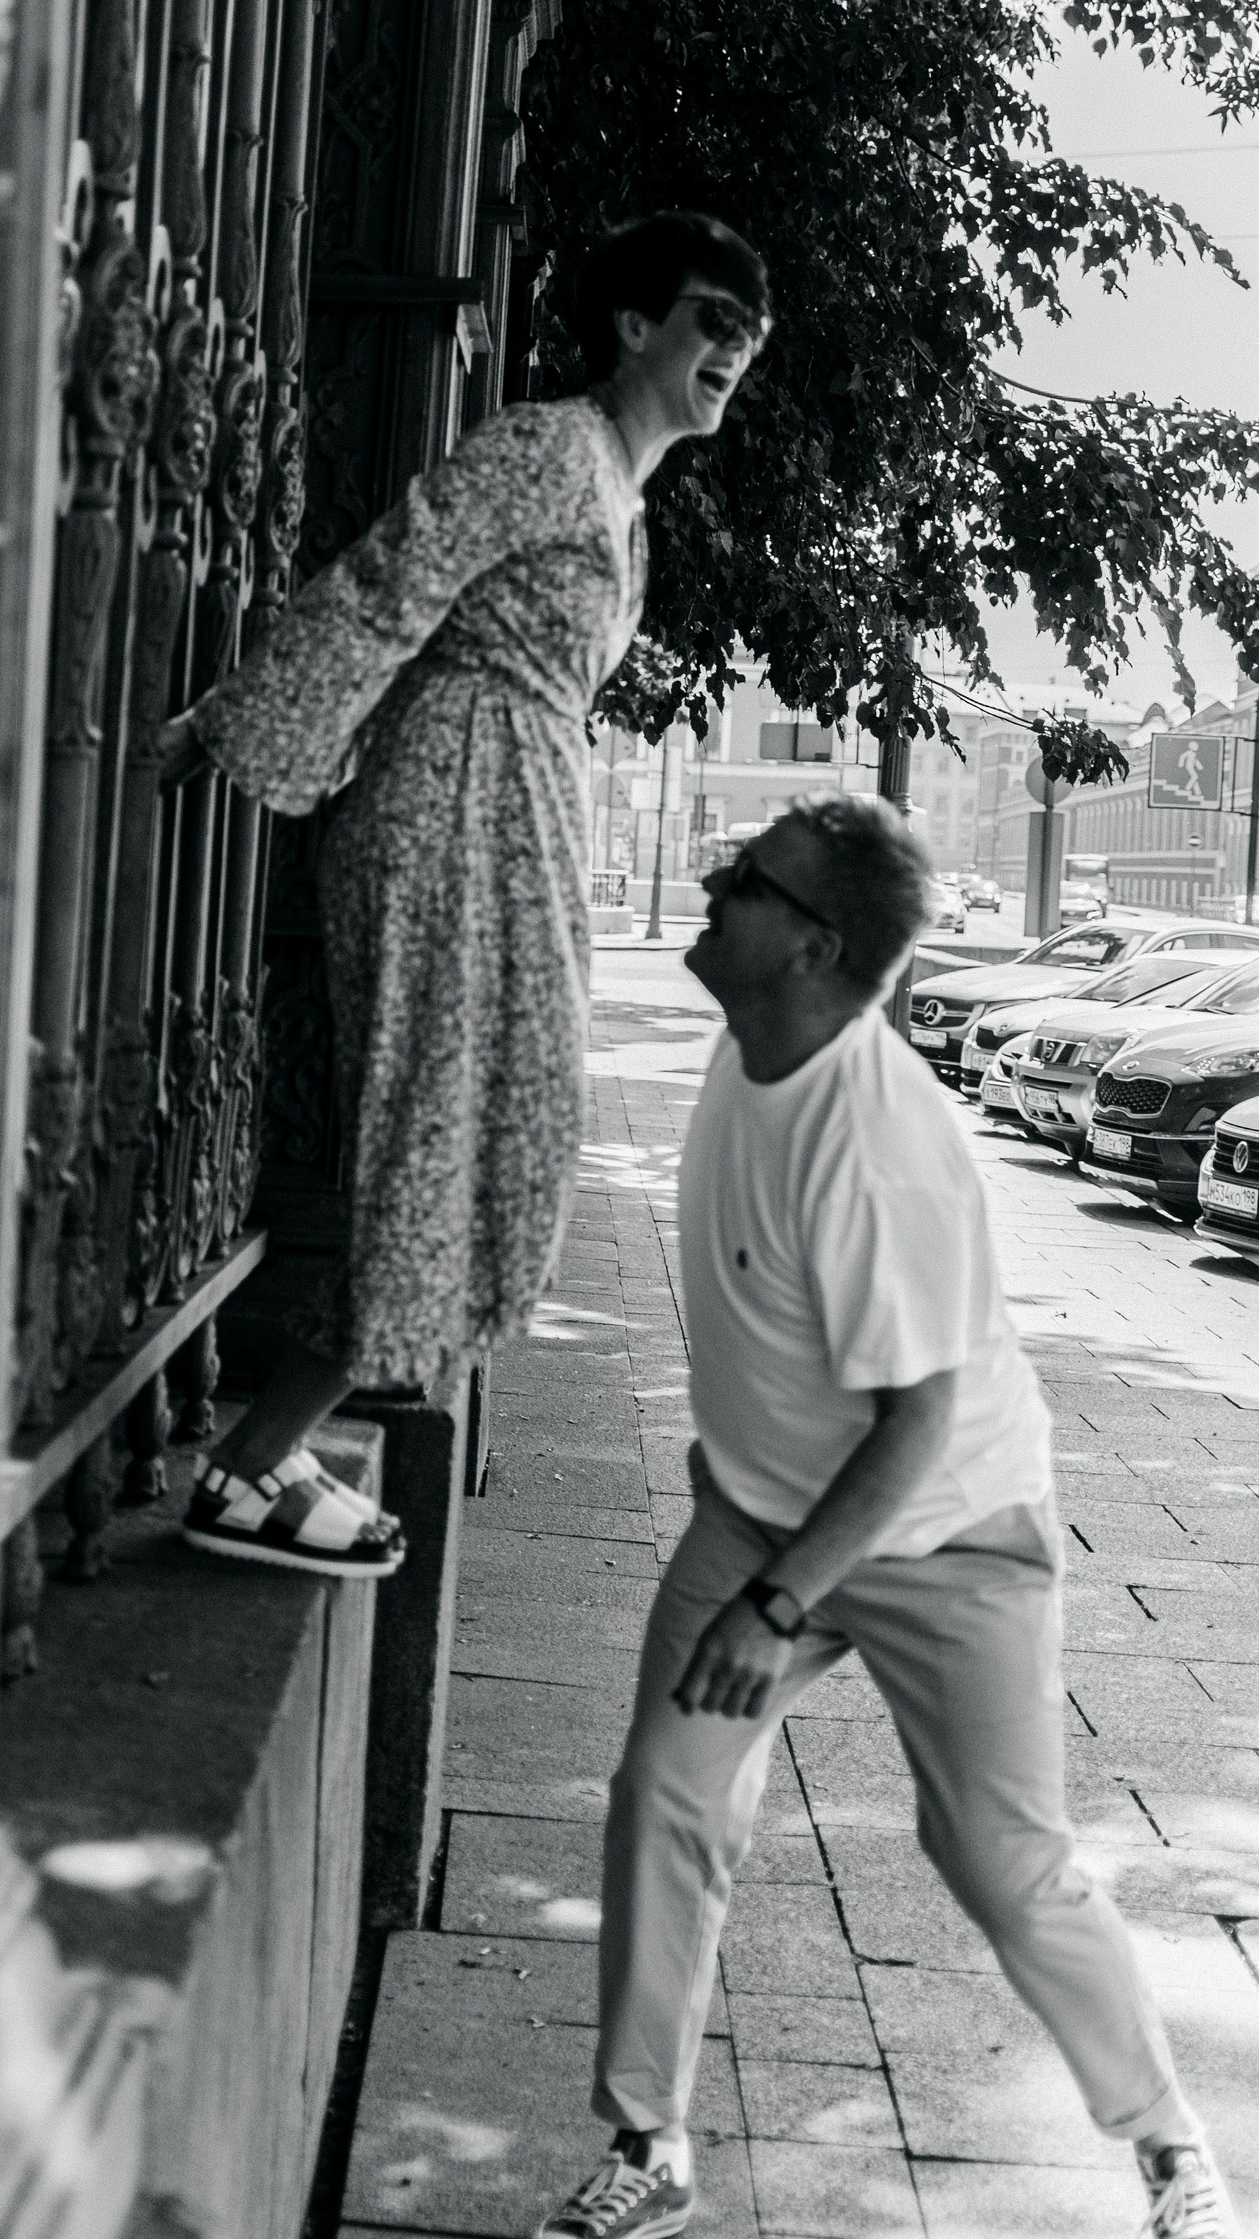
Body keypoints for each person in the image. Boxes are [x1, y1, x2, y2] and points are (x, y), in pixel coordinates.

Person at [538, 800, 1239, 2239]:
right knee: (669, 1791)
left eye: (750, 878)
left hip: (952, 1533)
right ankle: (648, 2148)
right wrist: (743, 1490)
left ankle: (1172, 2147)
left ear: (815, 941)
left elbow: (914, 1426)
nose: (717, 881)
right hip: (763, 1514)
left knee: (995, 1856)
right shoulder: (755, 1044)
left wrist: (780, 1600)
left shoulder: (881, 1144)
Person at [160, 212, 771, 1577]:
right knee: (446, 1111)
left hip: (517, 808)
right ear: (634, 324)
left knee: (505, 1115)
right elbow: (393, 579)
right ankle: (248, 1463)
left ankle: (275, 1443)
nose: (734, 351)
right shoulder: (549, 449)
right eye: (711, 319)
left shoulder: (621, 491)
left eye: (751, 334)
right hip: (451, 799)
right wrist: (238, 724)